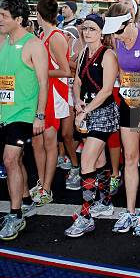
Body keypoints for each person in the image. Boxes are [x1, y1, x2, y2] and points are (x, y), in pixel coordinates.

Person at [0, 0, 48, 240]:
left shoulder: (34, 45)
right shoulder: (2, 43)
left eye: (3, 16)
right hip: (5, 113)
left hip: (24, 114)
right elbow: (1, 81)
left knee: (9, 160)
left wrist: (39, 115)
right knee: (16, 160)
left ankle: (15, 215)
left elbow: (44, 83)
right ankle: (25, 199)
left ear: (19, 20)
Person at [103, 2, 140, 237]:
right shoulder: (117, 40)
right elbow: (122, 73)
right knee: (129, 158)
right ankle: (129, 210)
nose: (115, 36)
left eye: (118, 30)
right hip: (129, 103)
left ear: (130, 23)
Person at [64, 13, 119, 237]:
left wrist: (84, 109)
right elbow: (77, 80)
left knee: (86, 160)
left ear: (102, 32)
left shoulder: (108, 55)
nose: (87, 32)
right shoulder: (84, 51)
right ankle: (105, 202)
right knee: (98, 159)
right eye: (84, 28)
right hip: (85, 111)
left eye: (92, 29)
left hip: (103, 112)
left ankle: (86, 216)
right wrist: (77, 101)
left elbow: (107, 90)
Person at [31, 0, 70, 206]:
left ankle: (47, 188)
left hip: (54, 93)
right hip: (41, 92)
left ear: (38, 13)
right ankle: (41, 183)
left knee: (49, 142)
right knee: (37, 141)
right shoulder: (42, 34)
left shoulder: (55, 36)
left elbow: (64, 70)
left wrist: (40, 72)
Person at [61, 25, 81, 190]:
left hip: (82, 93)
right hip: (66, 92)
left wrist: (68, 63)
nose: (64, 35)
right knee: (66, 133)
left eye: (66, 33)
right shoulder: (62, 46)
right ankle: (75, 166)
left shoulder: (83, 45)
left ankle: (88, 170)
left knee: (85, 135)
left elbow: (79, 68)